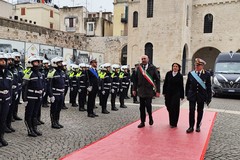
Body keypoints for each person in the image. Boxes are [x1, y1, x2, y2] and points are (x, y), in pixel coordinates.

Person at [133, 55, 160, 128]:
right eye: (142, 59)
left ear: (148, 59)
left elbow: (157, 79)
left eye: (144, 59)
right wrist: (134, 89)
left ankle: (150, 116)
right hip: (141, 90)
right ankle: (142, 122)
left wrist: (158, 91)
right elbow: (135, 79)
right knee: (141, 107)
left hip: (149, 91)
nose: (143, 60)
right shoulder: (139, 68)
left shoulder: (152, 68)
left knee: (148, 106)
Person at [185, 58, 212, 133]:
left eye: (198, 65)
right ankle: (191, 126)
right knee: (191, 111)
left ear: (202, 66)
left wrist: (209, 98)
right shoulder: (191, 73)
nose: (196, 66)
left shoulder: (207, 74)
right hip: (192, 95)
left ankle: (198, 125)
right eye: (196, 64)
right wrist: (187, 94)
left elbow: (208, 87)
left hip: (201, 95)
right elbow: (188, 85)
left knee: (200, 111)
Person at [22, 55, 44, 137]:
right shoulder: (28, 73)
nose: (37, 64)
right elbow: (24, 87)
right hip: (30, 97)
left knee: (35, 114)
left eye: (38, 62)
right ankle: (30, 130)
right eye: (35, 62)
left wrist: (42, 92)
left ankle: (34, 128)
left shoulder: (39, 74)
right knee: (29, 114)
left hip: (38, 97)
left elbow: (43, 84)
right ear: (31, 64)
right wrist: (24, 99)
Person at [162, 63, 184, 128]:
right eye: (174, 66)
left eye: (176, 66)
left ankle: (174, 123)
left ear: (178, 68)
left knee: (175, 108)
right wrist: (164, 92)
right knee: (168, 106)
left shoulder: (180, 76)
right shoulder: (168, 74)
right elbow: (165, 83)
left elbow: (181, 86)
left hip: (176, 94)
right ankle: (171, 120)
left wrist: (182, 95)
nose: (175, 67)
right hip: (168, 93)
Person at [47, 57, 65, 129]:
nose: (61, 64)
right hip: (55, 93)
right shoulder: (52, 72)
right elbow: (49, 85)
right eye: (59, 63)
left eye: (61, 63)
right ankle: (53, 122)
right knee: (54, 109)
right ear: (55, 63)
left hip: (61, 93)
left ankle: (57, 121)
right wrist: (51, 95)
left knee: (59, 109)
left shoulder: (61, 72)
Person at [0, 52, 13, 147]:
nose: (2, 62)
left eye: (4, 61)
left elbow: (11, 87)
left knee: (3, 120)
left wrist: (10, 99)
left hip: (6, 99)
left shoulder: (9, 73)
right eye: (0, 60)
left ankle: (1, 137)